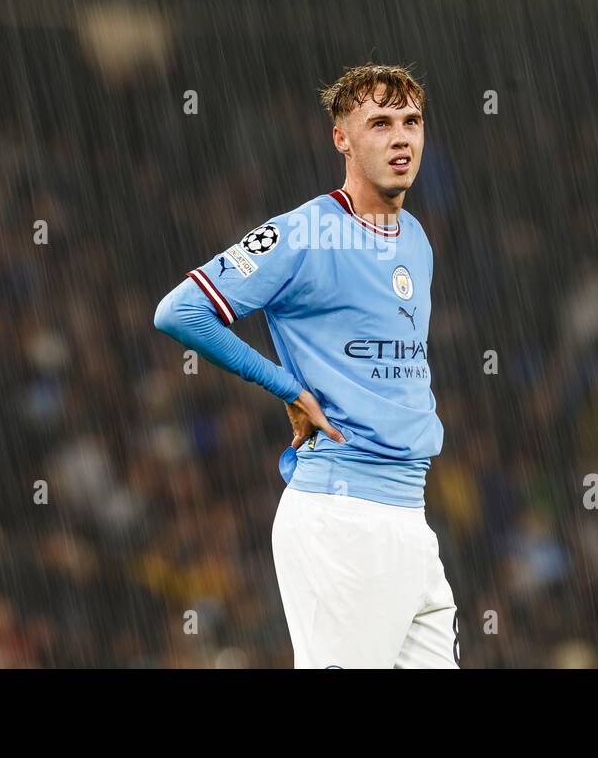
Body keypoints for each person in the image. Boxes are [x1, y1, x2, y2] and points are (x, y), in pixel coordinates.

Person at [154, 63, 458, 668]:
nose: (401, 138)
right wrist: (283, 386)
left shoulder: (416, 238)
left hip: (409, 516)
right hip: (344, 517)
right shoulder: (304, 231)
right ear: (341, 137)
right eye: (379, 123)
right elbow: (181, 311)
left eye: (411, 122)